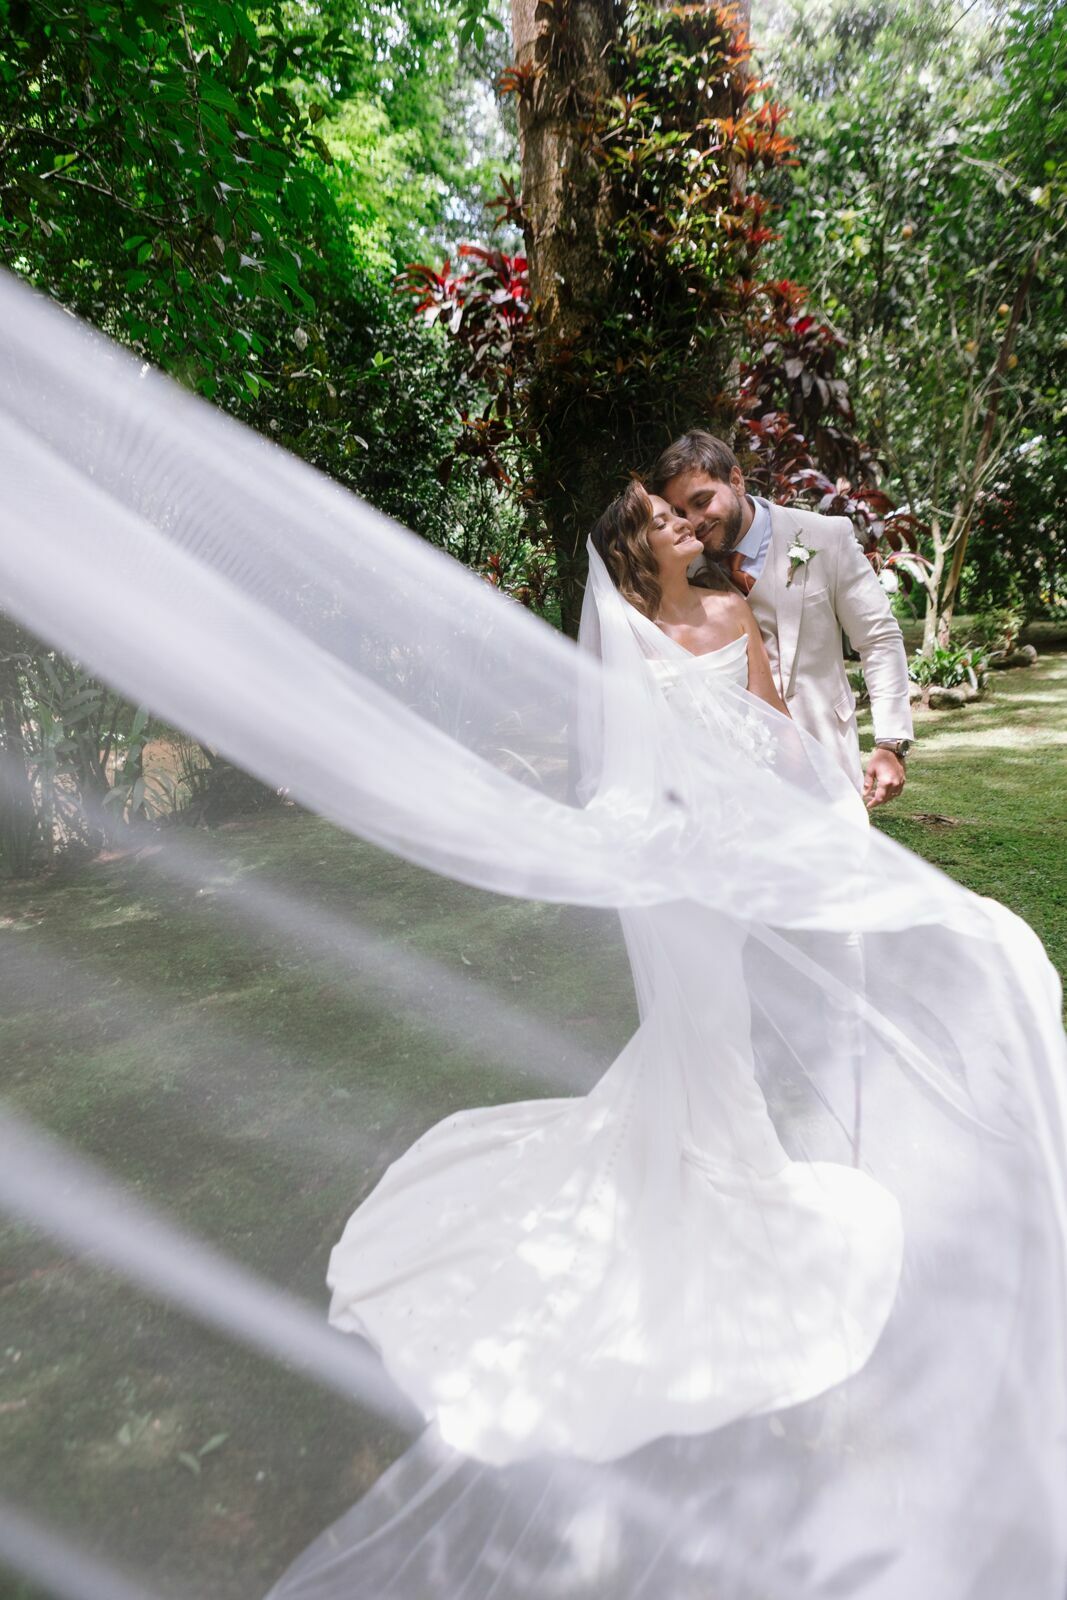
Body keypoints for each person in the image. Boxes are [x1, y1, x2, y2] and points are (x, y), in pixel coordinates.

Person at [650, 431, 913, 808]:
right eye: (680, 512)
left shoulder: (827, 537)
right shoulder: (682, 564)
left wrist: (891, 743)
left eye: (702, 501)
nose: (694, 521)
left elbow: (879, 639)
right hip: (728, 782)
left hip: (824, 755)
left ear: (737, 481)